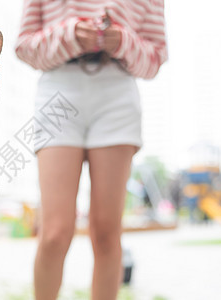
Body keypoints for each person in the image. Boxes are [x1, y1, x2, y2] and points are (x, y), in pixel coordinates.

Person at [15, 1, 167, 299]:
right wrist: (71, 34)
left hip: (117, 92)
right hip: (59, 89)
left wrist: (123, 40)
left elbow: (156, 59)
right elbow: (24, 47)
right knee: (54, 233)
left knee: (107, 234)